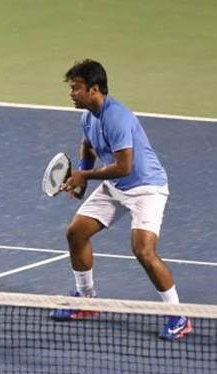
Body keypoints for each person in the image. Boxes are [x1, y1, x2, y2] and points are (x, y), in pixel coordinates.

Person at [49, 59, 191, 341]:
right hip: (115, 186)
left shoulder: (117, 118)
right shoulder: (87, 115)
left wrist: (84, 176)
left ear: (95, 90)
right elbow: (88, 144)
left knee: (143, 251)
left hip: (146, 188)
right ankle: (87, 301)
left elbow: (125, 166)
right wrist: (81, 175)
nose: (72, 94)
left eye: (76, 88)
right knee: (76, 233)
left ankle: (180, 315)